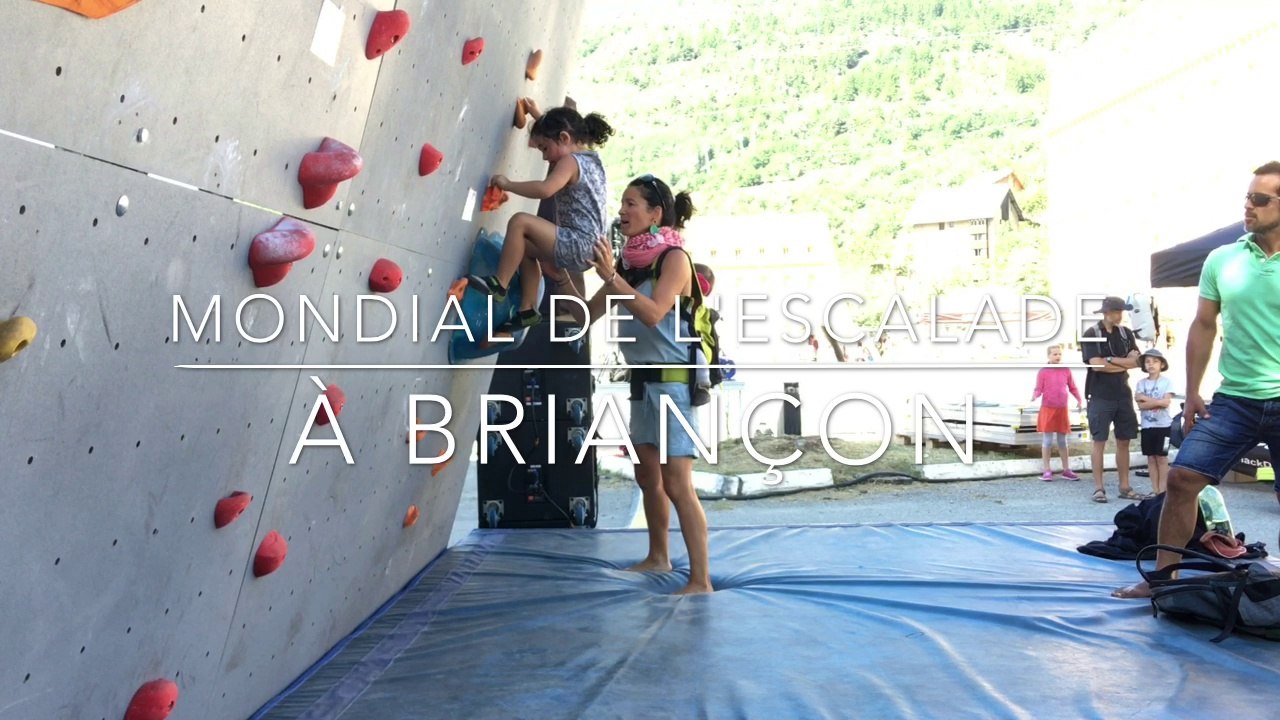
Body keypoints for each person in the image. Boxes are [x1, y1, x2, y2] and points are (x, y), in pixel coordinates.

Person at [1114, 162, 1280, 599]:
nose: (1248, 206)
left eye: (1260, 200)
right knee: (1183, 479)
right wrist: (1191, 392)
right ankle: (1162, 580)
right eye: (1248, 197)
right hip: (1235, 400)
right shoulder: (1223, 259)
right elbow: (1203, 325)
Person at [555, 174, 712, 595]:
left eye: (630, 204)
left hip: (673, 385)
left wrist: (613, 277)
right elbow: (586, 316)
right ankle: (658, 556)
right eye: (621, 204)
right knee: (647, 477)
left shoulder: (674, 259)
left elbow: (654, 313)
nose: (621, 212)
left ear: (655, 214)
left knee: (678, 482)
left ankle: (701, 579)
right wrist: (555, 276)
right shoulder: (628, 265)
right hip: (642, 383)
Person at [468, 103, 613, 331]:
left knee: (520, 222)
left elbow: (546, 189)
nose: (545, 158)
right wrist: (539, 118)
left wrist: (508, 184)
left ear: (565, 137)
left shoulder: (570, 162)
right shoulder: (591, 159)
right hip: (587, 248)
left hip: (577, 242)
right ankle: (527, 310)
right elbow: (559, 138)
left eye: (544, 149)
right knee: (522, 247)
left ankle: (499, 284)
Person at [1081, 295, 1145, 503]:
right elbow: (1097, 365)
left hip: (1122, 394)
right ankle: (1099, 488)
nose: (1120, 316)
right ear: (1106, 313)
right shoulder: (1092, 334)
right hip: (1099, 395)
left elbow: (1138, 362)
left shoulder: (1126, 333)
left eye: (1122, 312)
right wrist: (1122, 362)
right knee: (1099, 441)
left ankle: (1125, 486)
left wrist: (1110, 360)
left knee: (1124, 441)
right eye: (1117, 312)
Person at [1031, 344, 1083, 481]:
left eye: (1059, 354)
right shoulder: (1043, 371)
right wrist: (1034, 395)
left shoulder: (1066, 370)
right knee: (1047, 440)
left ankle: (1066, 469)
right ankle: (1046, 470)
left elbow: (1072, 387)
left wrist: (1079, 399)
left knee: (1062, 440)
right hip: (1048, 409)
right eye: (1054, 354)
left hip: (1062, 409)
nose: (1057, 356)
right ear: (1048, 356)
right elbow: (1038, 388)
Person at [1135, 348, 1174, 495]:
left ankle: (1163, 490)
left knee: (1162, 457)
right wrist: (1157, 401)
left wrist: (1148, 400)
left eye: (1155, 361)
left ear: (1162, 364)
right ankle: (1155, 489)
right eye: (1147, 362)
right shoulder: (1141, 383)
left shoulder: (1167, 382)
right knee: (1151, 458)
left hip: (1163, 426)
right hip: (1147, 426)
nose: (1151, 364)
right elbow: (1140, 404)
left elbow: (1166, 403)